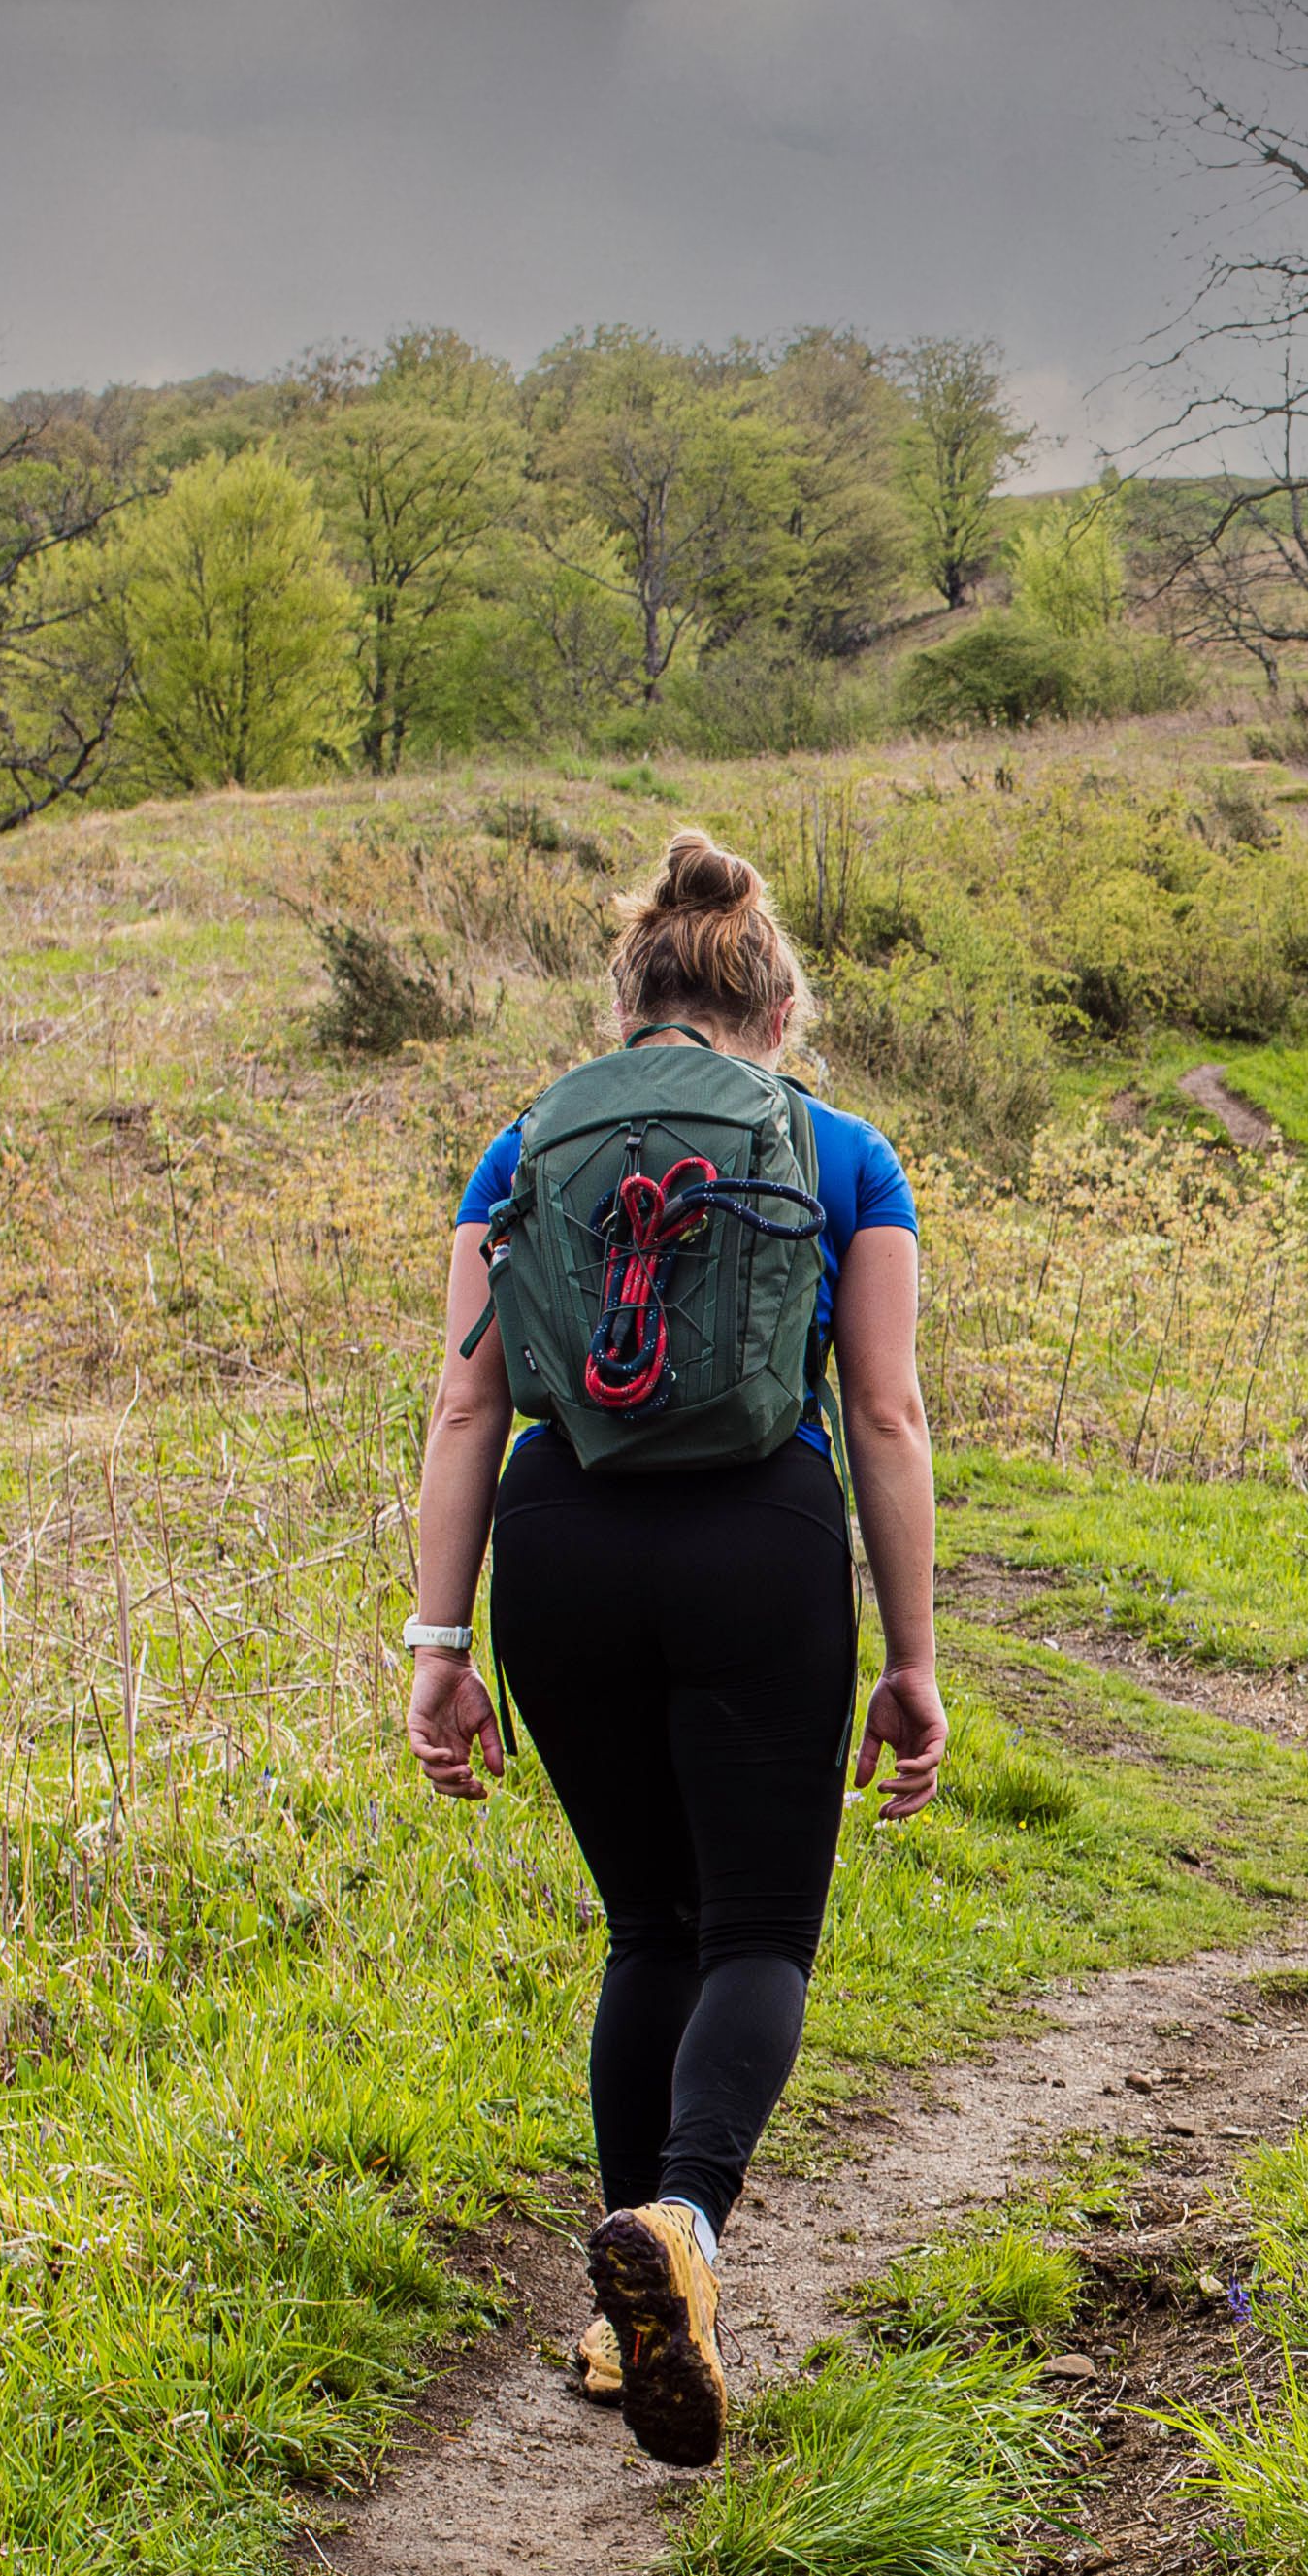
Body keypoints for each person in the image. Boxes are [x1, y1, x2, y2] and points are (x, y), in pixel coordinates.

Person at [398, 831, 948, 2466]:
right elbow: (887, 1413)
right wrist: (911, 1658)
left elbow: (465, 1403)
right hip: (756, 1546)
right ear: (774, 1010)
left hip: (558, 1542)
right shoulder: (845, 1153)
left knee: (650, 1927)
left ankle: (612, 2302)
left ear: (628, 1003)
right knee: (761, 1928)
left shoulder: (523, 1152)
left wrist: (439, 1643)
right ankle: (686, 2234)